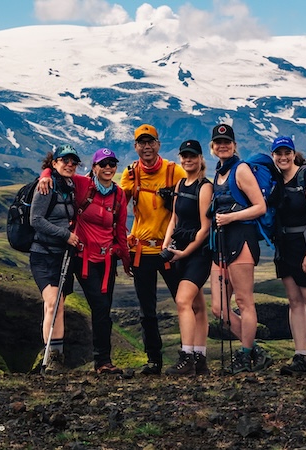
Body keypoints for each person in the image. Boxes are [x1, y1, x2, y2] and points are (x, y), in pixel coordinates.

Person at [38, 147, 132, 374]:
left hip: (108, 259)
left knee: (104, 310)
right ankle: (94, 360)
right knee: (98, 306)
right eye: (103, 164)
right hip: (83, 257)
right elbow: (60, 174)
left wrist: (126, 260)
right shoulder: (82, 184)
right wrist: (45, 176)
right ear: (94, 167)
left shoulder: (118, 194)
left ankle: (103, 363)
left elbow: (120, 229)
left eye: (112, 164)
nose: (108, 168)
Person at [120, 124, 187, 375]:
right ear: (135, 147)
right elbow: (117, 208)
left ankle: (187, 354)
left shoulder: (175, 171)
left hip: (170, 251)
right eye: (141, 143)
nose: (146, 147)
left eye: (151, 142)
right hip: (141, 252)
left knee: (183, 304)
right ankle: (153, 361)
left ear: (158, 144)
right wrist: (123, 238)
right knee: (147, 310)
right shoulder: (130, 174)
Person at [208, 123, 273, 374]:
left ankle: (245, 356)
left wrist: (231, 218)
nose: (223, 146)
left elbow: (260, 207)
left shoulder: (241, 169)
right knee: (219, 308)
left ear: (234, 145)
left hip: (242, 239)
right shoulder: (218, 173)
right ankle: (256, 350)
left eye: (227, 142)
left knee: (244, 301)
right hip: (221, 242)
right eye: (218, 143)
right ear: (213, 148)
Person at [270, 136, 306, 376]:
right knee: (294, 301)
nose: (283, 157)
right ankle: (300, 355)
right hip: (285, 246)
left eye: (287, 153)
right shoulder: (277, 181)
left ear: (294, 154)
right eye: (278, 153)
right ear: (273, 155)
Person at [162, 140, 213, 376]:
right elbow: (174, 218)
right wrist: (167, 245)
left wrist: (186, 251)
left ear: (200, 158)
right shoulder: (181, 184)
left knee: (183, 301)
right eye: (184, 156)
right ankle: (200, 358)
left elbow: (205, 227)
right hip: (180, 250)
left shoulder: (205, 187)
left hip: (198, 253)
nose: (188, 160)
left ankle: (187, 357)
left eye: (192, 156)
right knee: (197, 305)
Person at [29, 144, 80, 374]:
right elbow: (36, 220)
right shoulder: (46, 186)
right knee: (53, 303)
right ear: (54, 162)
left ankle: (56, 357)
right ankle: (50, 357)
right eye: (64, 160)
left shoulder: (70, 185)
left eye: (73, 161)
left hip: (64, 256)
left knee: (59, 305)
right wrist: (66, 235)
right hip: (44, 255)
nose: (69, 164)